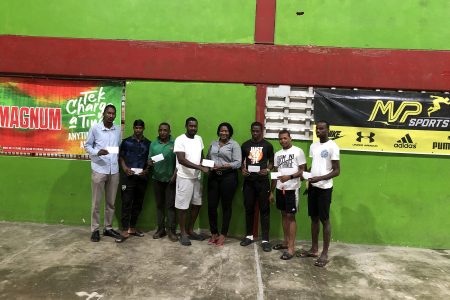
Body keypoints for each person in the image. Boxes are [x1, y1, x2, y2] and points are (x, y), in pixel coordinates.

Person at [297, 120, 340, 268]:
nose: (318, 131)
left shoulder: (333, 146)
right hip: (313, 187)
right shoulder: (314, 146)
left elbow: (337, 171)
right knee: (313, 219)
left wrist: (319, 178)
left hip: (325, 188)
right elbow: (314, 165)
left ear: (328, 130)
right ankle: (314, 249)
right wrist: (306, 175)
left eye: (322, 129)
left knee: (325, 220)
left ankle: (325, 253)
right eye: (317, 129)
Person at [84, 104, 122, 242]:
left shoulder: (118, 129)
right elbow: (87, 145)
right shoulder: (95, 128)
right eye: (109, 113)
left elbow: (118, 145)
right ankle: (94, 229)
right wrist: (97, 152)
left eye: (113, 113)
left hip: (114, 170)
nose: (111, 115)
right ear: (104, 114)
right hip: (99, 169)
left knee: (111, 202)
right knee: (96, 203)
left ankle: (108, 228)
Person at [269, 130, 306, 260]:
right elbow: (274, 174)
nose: (283, 141)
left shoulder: (298, 151)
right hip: (280, 189)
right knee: (283, 214)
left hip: (292, 188)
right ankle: (285, 242)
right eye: (280, 139)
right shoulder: (277, 154)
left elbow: (303, 170)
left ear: (290, 138)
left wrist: (290, 176)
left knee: (291, 216)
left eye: (285, 138)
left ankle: (291, 248)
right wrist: (271, 192)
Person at [174, 117, 209, 246]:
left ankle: (190, 230)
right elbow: (181, 160)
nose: (193, 128)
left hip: (197, 178)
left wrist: (208, 165)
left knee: (197, 204)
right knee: (183, 207)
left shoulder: (199, 139)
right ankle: (183, 233)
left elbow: (201, 156)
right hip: (184, 177)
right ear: (186, 126)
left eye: (195, 126)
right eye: (190, 126)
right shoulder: (180, 140)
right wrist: (200, 167)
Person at [240, 121, 274, 252]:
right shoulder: (245, 145)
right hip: (248, 182)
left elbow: (272, 162)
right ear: (251, 131)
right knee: (249, 209)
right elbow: (241, 163)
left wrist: (268, 170)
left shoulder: (268, 146)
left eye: (257, 131)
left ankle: (265, 239)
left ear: (262, 131)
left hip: (263, 182)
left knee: (265, 211)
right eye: (253, 131)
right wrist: (242, 169)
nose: (255, 133)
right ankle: (249, 236)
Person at [206, 122, 242, 246]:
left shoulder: (234, 144)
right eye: (222, 131)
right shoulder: (213, 143)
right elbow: (207, 158)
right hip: (213, 177)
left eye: (226, 131)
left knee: (226, 206)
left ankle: (223, 234)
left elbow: (238, 163)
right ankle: (214, 233)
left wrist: (224, 165)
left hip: (228, 178)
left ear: (230, 132)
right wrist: (208, 166)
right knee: (211, 206)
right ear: (219, 132)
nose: (224, 133)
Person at [116, 119, 151, 243]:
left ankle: (132, 228)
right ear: (133, 128)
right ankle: (124, 230)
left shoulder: (148, 143)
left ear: (143, 129)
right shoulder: (126, 142)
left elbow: (150, 160)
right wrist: (125, 168)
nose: (138, 130)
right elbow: (120, 157)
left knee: (138, 204)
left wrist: (146, 170)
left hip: (141, 178)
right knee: (126, 203)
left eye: (140, 128)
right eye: (136, 128)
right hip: (128, 177)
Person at [148, 122, 178, 242]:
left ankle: (171, 231)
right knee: (160, 206)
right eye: (160, 130)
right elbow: (149, 160)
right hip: (157, 180)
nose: (162, 132)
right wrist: (150, 162)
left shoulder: (175, 143)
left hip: (171, 180)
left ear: (169, 131)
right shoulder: (153, 144)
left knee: (170, 206)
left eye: (165, 130)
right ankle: (161, 229)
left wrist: (174, 176)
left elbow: (179, 162)